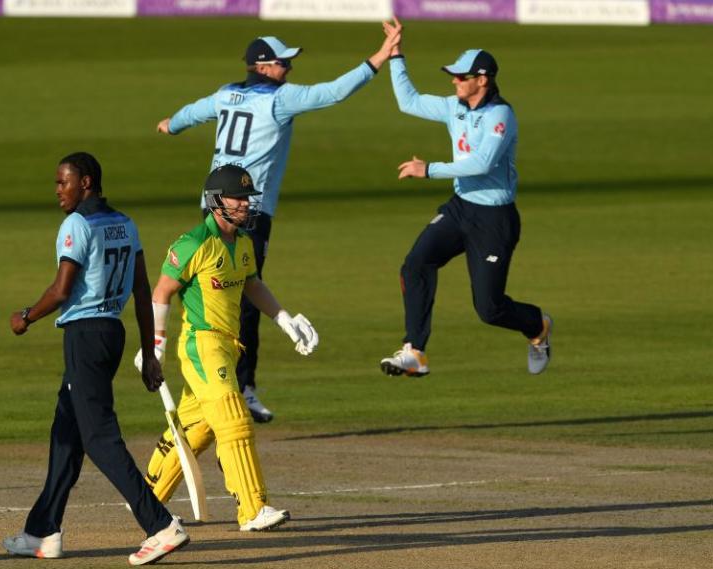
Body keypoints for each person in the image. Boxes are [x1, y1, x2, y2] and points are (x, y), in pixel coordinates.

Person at [156, 28, 400, 423]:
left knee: (209, 284)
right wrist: (379, 58)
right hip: (247, 210)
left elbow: (192, 112)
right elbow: (333, 92)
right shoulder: (279, 100)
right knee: (243, 291)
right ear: (262, 66)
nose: (288, 68)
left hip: (212, 205)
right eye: (282, 62)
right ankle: (240, 385)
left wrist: (172, 125)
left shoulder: (226, 94)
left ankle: (212, 374)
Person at [2, 152, 189, 566]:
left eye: (62, 182)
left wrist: (27, 316)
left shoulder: (76, 225)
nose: (57, 191)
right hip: (112, 335)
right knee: (66, 435)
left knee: (100, 439)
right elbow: (142, 291)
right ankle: (42, 531)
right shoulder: (126, 223)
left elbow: (63, 289)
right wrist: (151, 352)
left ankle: (160, 525)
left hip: (85, 337)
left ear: (85, 182)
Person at [134, 164, 319, 531]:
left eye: (248, 199)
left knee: (196, 429)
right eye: (239, 199)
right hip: (202, 344)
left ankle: (145, 501)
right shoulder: (192, 244)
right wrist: (155, 346)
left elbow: (252, 284)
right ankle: (252, 509)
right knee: (234, 418)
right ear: (216, 202)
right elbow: (161, 291)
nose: (246, 206)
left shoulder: (244, 244)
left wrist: (285, 319)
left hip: (229, 347)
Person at [379, 19, 552, 378]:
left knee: (489, 310)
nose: (454, 81)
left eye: (461, 76)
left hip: (494, 219)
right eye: (454, 76)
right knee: (415, 265)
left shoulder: (500, 115)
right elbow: (407, 102)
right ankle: (415, 352)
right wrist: (396, 55)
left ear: (482, 79)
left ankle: (537, 326)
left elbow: (481, 163)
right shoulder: (454, 106)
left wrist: (428, 170)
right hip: (460, 210)